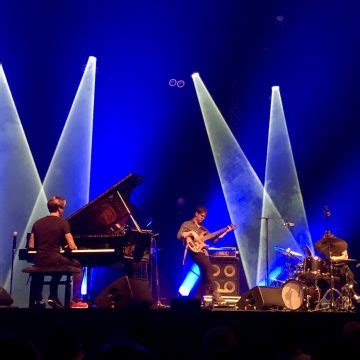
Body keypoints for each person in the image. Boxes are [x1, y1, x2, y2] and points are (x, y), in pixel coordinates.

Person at [28, 196, 88, 309]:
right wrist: (67, 247)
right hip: (54, 258)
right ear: (59, 209)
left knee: (58, 264)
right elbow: (73, 246)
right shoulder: (63, 223)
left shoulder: (37, 223)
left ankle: (38, 299)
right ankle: (76, 300)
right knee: (78, 266)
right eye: (63, 208)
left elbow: (31, 246)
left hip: (40, 259)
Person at [177, 206, 231, 303]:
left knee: (204, 276)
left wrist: (225, 231)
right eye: (202, 216)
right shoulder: (187, 224)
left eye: (204, 217)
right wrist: (192, 232)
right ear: (196, 214)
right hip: (193, 250)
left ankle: (197, 299)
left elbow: (214, 240)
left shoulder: (204, 229)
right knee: (209, 266)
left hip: (202, 252)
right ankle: (215, 293)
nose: (203, 218)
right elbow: (180, 235)